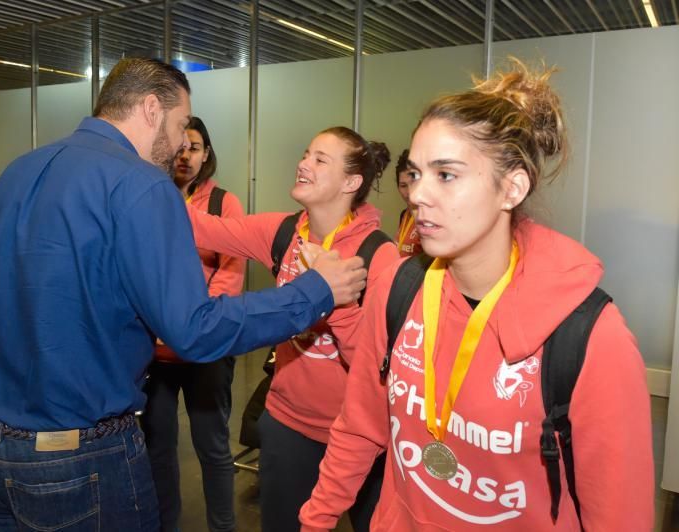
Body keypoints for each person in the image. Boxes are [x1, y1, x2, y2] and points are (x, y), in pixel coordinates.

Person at [0, 58, 367, 532]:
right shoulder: (141, 184)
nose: (181, 143)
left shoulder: (22, 169)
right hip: (71, 464)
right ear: (151, 108)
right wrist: (315, 292)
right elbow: (195, 330)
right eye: (181, 123)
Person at [299, 60, 654, 531]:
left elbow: (619, 517)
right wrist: (315, 521)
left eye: (446, 175)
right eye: (416, 173)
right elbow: (359, 427)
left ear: (512, 187)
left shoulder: (590, 337)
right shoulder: (398, 288)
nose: (419, 193)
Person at [186, 126, 399, 532]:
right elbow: (204, 228)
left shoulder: (378, 255)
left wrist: (334, 300)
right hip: (287, 424)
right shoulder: (284, 233)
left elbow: (378, 369)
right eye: (306, 154)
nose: (303, 164)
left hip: (360, 436)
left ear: (351, 182)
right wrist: (137, 180)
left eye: (320, 160)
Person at [141, 116, 245, 532]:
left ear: (207, 154)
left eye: (195, 147)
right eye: (180, 146)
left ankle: (223, 527)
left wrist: (192, 323)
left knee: (213, 447)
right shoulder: (149, 199)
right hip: (157, 352)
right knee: (159, 449)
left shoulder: (224, 204)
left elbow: (231, 273)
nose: (186, 155)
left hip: (208, 346)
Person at [393, 149, 421, 257]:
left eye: (413, 183)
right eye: (403, 186)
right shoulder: (404, 215)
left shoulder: (430, 219)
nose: (409, 192)